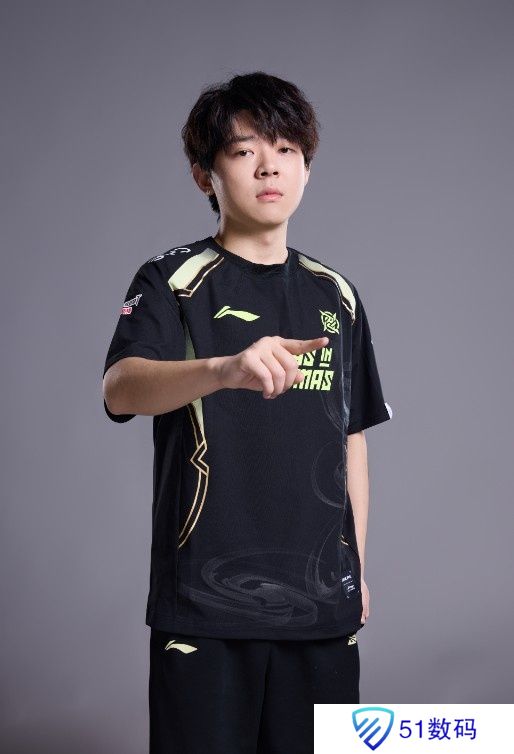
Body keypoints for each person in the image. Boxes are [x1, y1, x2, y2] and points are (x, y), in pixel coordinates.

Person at [102, 71, 392, 754]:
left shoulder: (337, 294)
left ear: (306, 168)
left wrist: (354, 568)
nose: (270, 166)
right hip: (203, 610)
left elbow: (350, 440)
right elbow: (121, 388)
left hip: (321, 609)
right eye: (244, 150)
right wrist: (223, 370)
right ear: (204, 174)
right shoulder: (172, 280)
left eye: (287, 149)